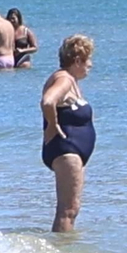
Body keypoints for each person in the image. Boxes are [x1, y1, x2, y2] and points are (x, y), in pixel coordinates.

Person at [41, 35, 96, 233]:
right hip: (66, 151)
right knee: (67, 210)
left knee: (72, 208)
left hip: (73, 152)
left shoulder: (71, 81)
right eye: (88, 60)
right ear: (78, 60)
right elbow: (48, 101)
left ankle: (64, 249)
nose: (90, 65)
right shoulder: (64, 79)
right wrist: (52, 125)